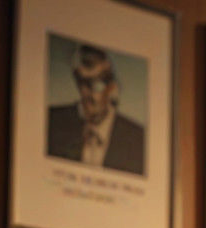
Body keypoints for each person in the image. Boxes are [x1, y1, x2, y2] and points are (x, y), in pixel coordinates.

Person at [46, 44, 145, 176]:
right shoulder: (53, 122)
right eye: (83, 84)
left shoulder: (138, 140)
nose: (90, 96)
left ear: (111, 87)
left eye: (97, 84)